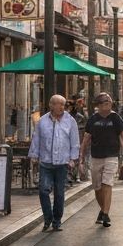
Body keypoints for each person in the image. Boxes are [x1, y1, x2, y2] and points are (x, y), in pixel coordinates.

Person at [30, 94, 81, 232]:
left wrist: (73, 159)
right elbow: (36, 139)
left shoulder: (70, 121)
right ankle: (48, 217)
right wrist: (34, 156)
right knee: (43, 190)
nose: (62, 107)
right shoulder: (42, 121)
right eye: (59, 104)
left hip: (62, 163)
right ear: (51, 105)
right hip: (46, 162)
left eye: (63, 105)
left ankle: (56, 220)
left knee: (59, 193)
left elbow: (74, 142)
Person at [79, 94, 123, 228]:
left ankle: (106, 214)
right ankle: (103, 210)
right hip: (96, 156)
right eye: (104, 102)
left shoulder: (115, 118)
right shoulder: (93, 119)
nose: (107, 103)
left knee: (107, 183)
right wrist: (81, 155)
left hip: (112, 155)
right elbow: (86, 138)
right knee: (97, 187)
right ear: (98, 105)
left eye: (109, 101)